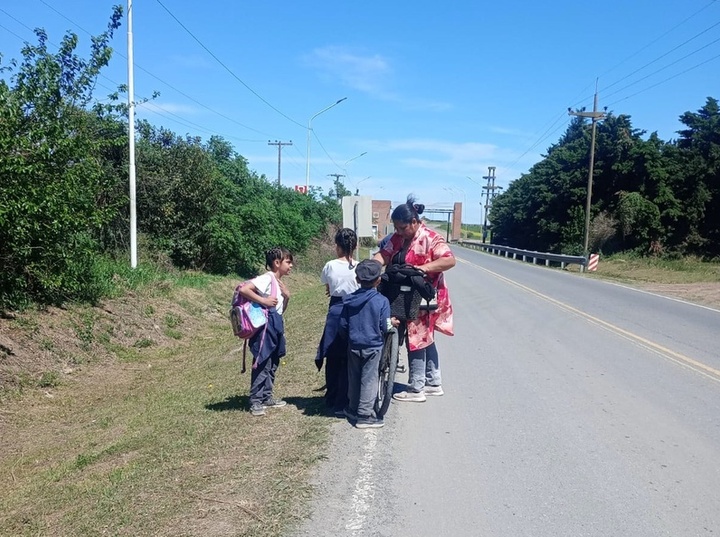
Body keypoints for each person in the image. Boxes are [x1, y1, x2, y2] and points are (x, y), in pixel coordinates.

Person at [374, 195, 455, 402]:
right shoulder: (398, 238)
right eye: (396, 228)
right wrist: (372, 267)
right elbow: (384, 254)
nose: (399, 232)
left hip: (425, 294)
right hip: (401, 292)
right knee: (426, 336)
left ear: (414, 222)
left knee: (417, 335)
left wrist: (423, 269)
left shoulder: (430, 238)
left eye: (402, 228)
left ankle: (416, 388)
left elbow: (449, 260)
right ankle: (433, 382)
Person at [237, 246, 293, 417]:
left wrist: (287, 296)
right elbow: (244, 289)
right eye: (288, 262)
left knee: (273, 361)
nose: (291, 266)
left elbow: (281, 308)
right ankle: (255, 400)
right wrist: (263, 300)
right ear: (277, 263)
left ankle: (267, 396)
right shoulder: (267, 278)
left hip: (276, 324)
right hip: (266, 328)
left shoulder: (278, 282)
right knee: (262, 361)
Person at [340, 259, 395, 429]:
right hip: (373, 345)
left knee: (354, 376)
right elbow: (385, 326)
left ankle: (352, 408)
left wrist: (349, 338)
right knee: (369, 379)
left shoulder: (348, 300)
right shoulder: (381, 301)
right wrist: (392, 323)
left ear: (357, 279)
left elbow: (343, 325)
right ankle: (364, 415)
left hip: (354, 343)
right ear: (378, 280)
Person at [315, 228, 359, 417]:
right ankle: (347, 398)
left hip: (335, 310)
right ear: (354, 246)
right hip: (354, 311)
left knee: (332, 355)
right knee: (348, 357)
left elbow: (328, 287)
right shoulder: (359, 267)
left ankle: (332, 398)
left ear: (338, 247)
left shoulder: (330, 265)